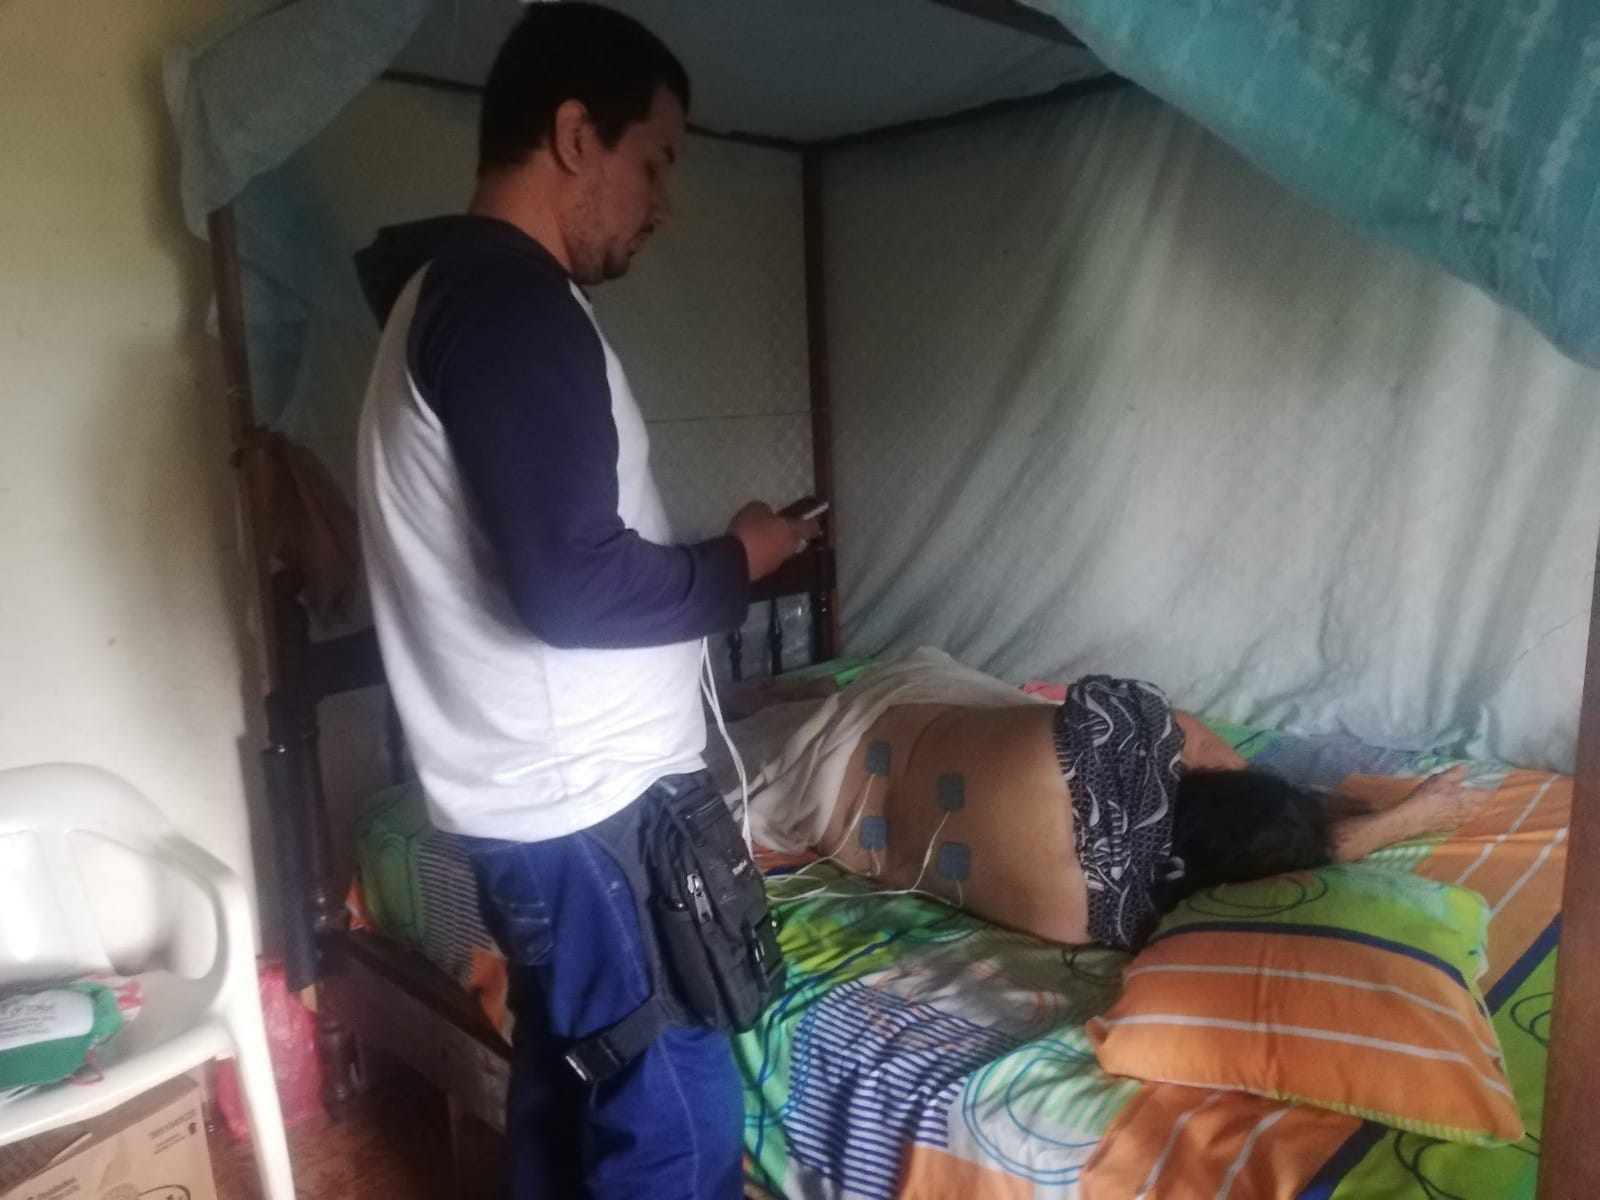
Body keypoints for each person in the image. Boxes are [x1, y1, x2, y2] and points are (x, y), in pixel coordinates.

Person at [354, 6, 816, 1197]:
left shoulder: (451, 295)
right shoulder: (508, 305)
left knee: (573, 1084)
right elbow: (573, 586)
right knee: (675, 1120)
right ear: (574, 137)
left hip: (553, 813)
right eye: (653, 161)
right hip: (592, 815)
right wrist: (741, 557)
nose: (665, 203)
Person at [742, 656, 1492, 950]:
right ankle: (805, 696)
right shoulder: (1114, 920)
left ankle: (810, 691)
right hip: (819, 804)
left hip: (885, 707)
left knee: (1003, 710)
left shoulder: (1123, 734)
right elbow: (1271, 869)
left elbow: (1194, 745)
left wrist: (1399, 813)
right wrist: (1398, 825)